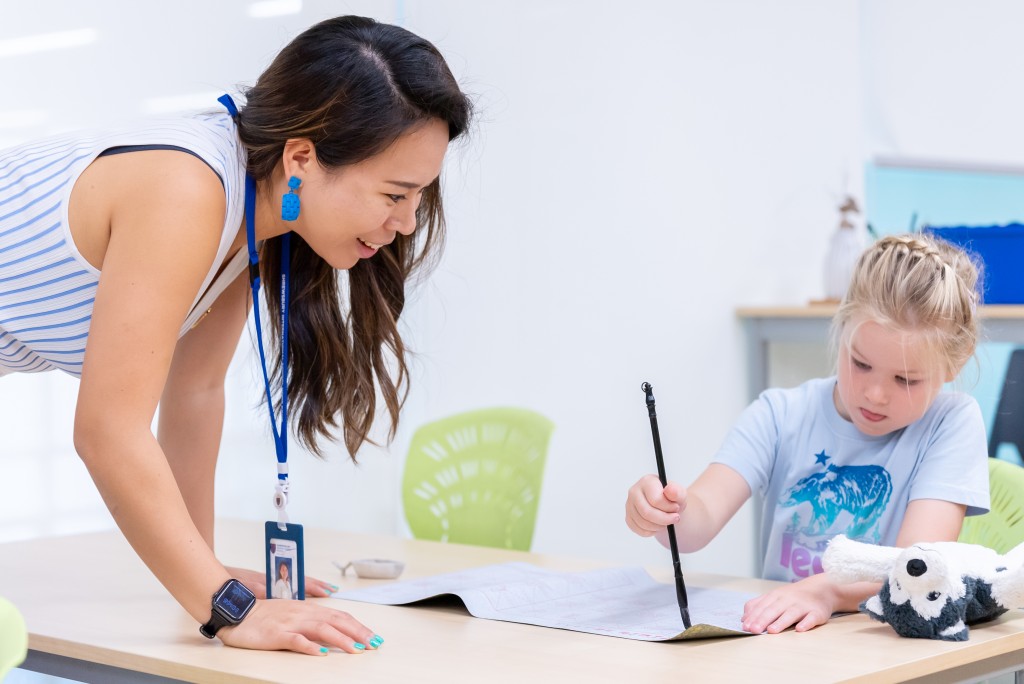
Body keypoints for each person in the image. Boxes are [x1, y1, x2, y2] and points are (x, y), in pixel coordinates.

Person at [0, 16, 471, 655]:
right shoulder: (185, 191)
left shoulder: (249, 214)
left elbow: (193, 393)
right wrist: (225, 606)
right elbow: (108, 430)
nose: (410, 222)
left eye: (420, 195)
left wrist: (211, 579)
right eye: (396, 192)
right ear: (302, 157)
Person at [625, 234, 990, 634]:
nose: (875, 394)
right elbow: (699, 520)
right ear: (841, 328)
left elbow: (914, 566)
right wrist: (664, 511)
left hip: (884, 646)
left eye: (905, 379)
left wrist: (827, 592)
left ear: (953, 367)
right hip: (783, 643)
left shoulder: (951, 422)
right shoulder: (780, 414)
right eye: (860, 363)